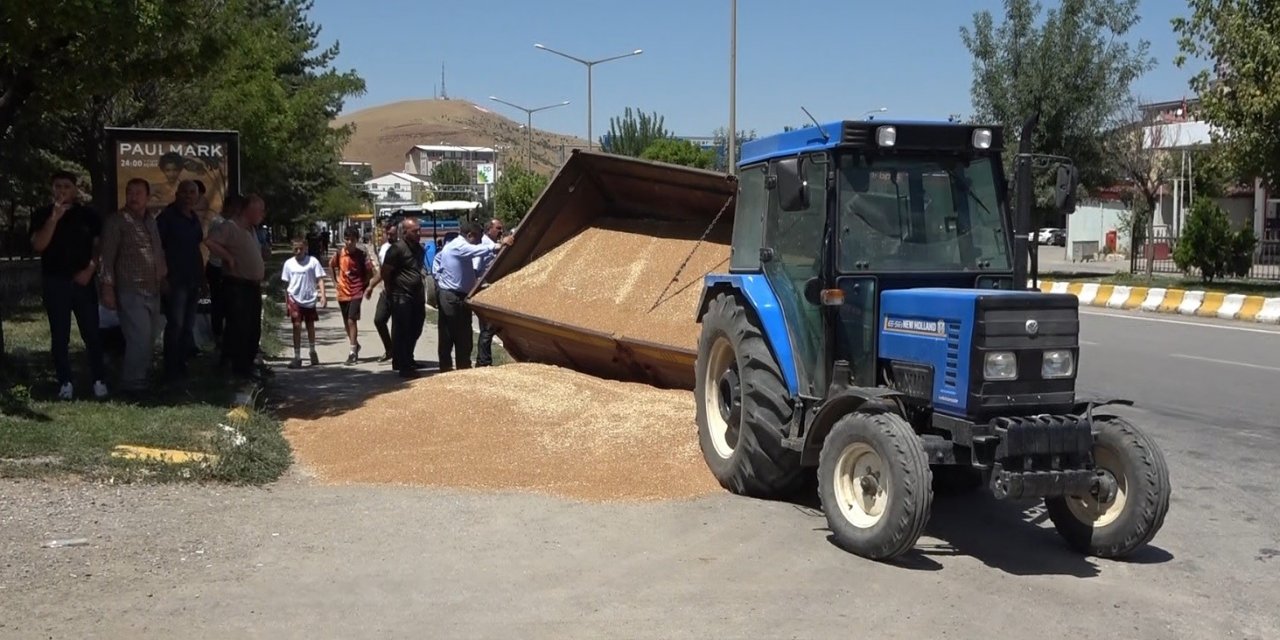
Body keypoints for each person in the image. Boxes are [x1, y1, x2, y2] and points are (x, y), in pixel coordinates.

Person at [28, 170, 109, 400]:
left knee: (92, 333)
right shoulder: (43, 214)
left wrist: (90, 270)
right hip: (55, 282)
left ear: (75, 189)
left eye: (66, 186)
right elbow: (39, 245)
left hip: (83, 281)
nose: (62, 191)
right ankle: (65, 382)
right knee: (60, 334)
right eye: (57, 186)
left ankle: (99, 380)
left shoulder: (88, 215)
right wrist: (54, 219)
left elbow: (99, 247)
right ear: (52, 189)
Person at [100, 178, 168, 394]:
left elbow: (157, 251)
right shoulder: (117, 222)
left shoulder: (151, 221)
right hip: (130, 290)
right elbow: (107, 257)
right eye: (130, 192)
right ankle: (132, 384)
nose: (134, 196)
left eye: (139, 193)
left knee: (149, 337)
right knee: (139, 337)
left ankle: (142, 377)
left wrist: (163, 276)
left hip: (153, 289)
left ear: (148, 197)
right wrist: (107, 288)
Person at [432, 222, 511, 372]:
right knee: (455, 334)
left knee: (457, 334)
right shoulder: (459, 246)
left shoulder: (453, 246)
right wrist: (498, 246)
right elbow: (476, 250)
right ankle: (454, 368)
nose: (479, 242)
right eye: (478, 239)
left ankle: (456, 367)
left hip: (456, 295)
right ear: (469, 236)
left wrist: (439, 276)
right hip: (452, 297)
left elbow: (438, 259)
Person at [205, 193, 267, 381]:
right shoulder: (230, 227)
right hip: (237, 285)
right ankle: (237, 369)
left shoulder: (251, 229)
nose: (262, 214)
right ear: (248, 210)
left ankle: (247, 366)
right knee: (240, 327)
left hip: (252, 286)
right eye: (259, 210)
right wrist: (228, 257)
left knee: (253, 328)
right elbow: (210, 242)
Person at [156, 180, 205, 377]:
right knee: (175, 324)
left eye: (192, 192)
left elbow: (197, 249)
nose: (188, 196)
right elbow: (157, 249)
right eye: (184, 192)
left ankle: (182, 364)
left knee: (188, 325)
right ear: (177, 194)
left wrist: (203, 278)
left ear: (197, 196)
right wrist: (162, 278)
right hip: (174, 281)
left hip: (193, 279)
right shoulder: (166, 218)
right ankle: (170, 369)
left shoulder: (194, 218)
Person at [378, 219, 426, 378]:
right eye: (415, 231)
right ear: (404, 233)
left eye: (419, 230)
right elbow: (385, 272)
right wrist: (391, 290)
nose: (418, 234)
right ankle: (403, 365)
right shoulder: (396, 249)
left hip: (417, 296)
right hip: (401, 295)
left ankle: (407, 358)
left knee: (416, 328)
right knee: (403, 330)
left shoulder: (419, 249)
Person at [329, 226, 377, 365]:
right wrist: (334, 282)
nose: (349, 242)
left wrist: (366, 285)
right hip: (342, 292)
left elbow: (371, 271)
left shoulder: (361, 255)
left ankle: (352, 352)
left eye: (353, 239)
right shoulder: (339, 254)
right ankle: (355, 344)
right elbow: (331, 266)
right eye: (347, 239)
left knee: (351, 320)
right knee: (346, 321)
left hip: (356, 291)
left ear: (357, 240)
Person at [282, 238, 326, 368]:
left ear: (306, 248)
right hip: (294, 298)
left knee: (310, 324)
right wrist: (286, 302)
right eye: (295, 248)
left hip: (309, 298)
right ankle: (297, 356)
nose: (298, 251)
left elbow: (320, 279)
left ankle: (312, 351)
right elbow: (285, 284)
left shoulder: (312, 262)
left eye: (301, 248)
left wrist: (322, 295)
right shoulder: (288, 264)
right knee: (296, 325)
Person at [473, 218, 504, 367]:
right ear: (489, 229)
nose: (501, 231)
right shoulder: (484, 245)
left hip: (491, 289)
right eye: (498, 228)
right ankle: (483, 362)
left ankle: (483, 360)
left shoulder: (492, 244)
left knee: (490, 328)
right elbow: (475, 268)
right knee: (487, 328)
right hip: (484, 289)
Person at [369, 222, 397, 362]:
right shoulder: (384, 249)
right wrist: (371, 286)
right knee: (379, 320)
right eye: (389, 234)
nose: (390, 236)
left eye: (393, 233)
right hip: (387, 292)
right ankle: (390, 349)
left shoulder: (402, 248)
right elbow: (382, 270)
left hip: (399, 293)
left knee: (399, 326)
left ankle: (403, 356)